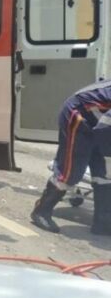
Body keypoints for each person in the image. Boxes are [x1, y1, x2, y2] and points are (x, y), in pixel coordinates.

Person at [30, 80, 111, 235]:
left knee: (105, 173)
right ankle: (41, 211)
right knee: (71, 171)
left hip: (100, 121)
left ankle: (104, 222)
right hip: (78, 115)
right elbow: (105, 129)